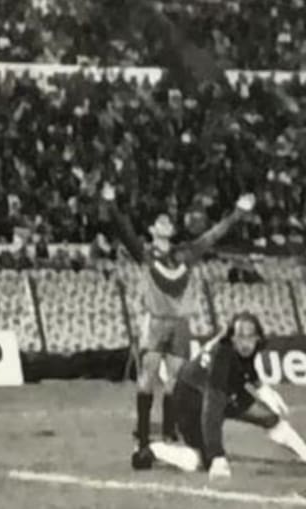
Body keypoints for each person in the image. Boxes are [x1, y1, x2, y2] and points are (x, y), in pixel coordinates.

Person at [99, 182, 255, 466]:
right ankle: (143, 438)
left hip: (180, 323)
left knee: (175, 381)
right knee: (147, 377)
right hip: (156, 322)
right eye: (160, 221)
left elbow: (213, 235)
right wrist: (111, 205)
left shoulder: (185, 253)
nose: (166, 224)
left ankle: (169, 435)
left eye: (168, 221)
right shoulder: (146, 254)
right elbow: (124, 232)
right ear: (152, 230)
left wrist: (237, 214)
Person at [141, 311, 306, 477]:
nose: (246, 343)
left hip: (224, 387)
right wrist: (217, 455)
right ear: (232, 338)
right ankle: (153, 450)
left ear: (258, 337)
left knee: (268, 417)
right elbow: (212, 411)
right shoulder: (222, 357)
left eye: (250, 337)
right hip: (190, 397)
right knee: (201, 461)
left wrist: (263, 388)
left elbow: (244, 368)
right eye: (241, 337)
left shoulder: (247, 348)